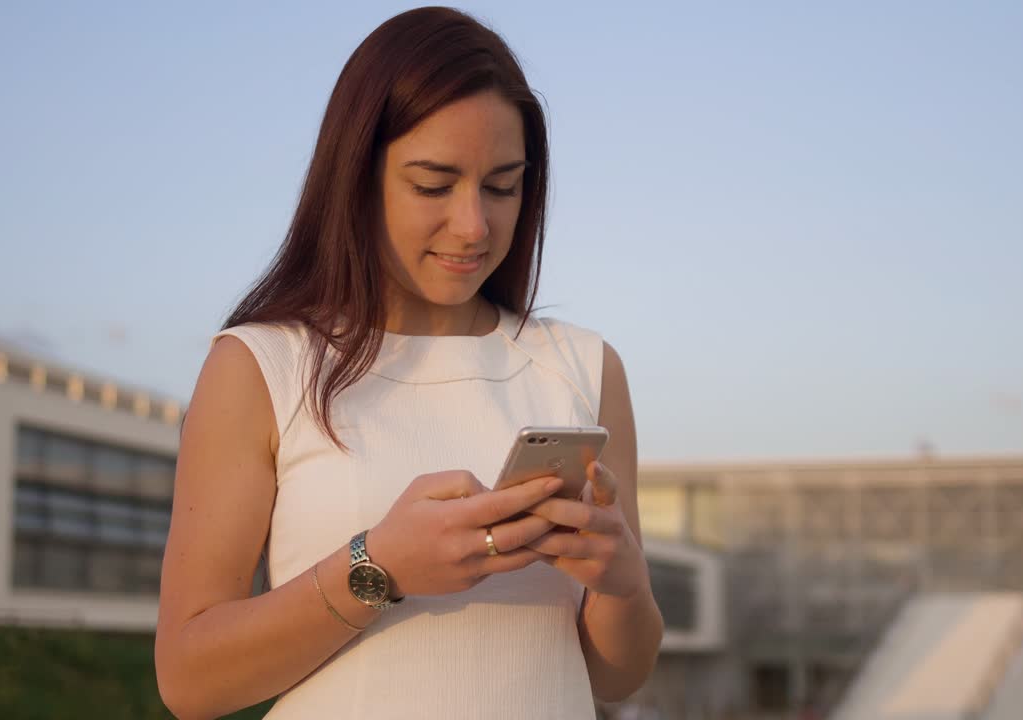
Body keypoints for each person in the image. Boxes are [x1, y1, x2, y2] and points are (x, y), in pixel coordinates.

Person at [153, 7, 663, 719]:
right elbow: (189, 680)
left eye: (503, 186)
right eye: (433, 184)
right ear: (355, 177)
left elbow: (617, 679)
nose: (474, 226)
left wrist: (623, 584)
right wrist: (379, 567)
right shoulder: (261, 366)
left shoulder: (584, 366)